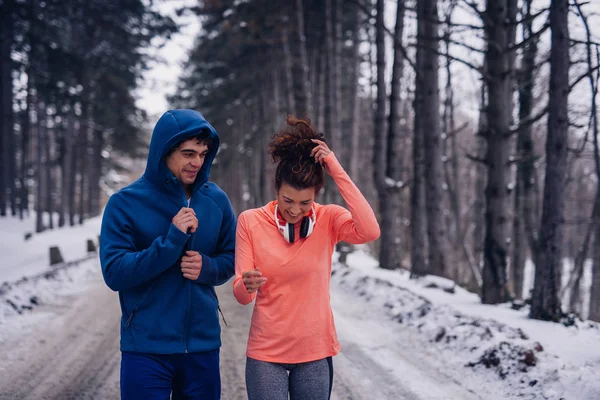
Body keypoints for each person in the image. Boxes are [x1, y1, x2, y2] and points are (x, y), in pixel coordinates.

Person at [233, 116, 380, 400]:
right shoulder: (250, 221)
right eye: (288, 200)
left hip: (315, 351)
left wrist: (334, 167)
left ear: (316, 197)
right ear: (277, 189)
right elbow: (241, 295)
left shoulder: (329, 219)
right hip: (266, 353)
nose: (295, 211)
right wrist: (246, 285)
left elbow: (370, 231)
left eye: (305, 203)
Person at [99, 109, 236, 400]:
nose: (197, 162)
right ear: (164, 151)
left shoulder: (216, 200)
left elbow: (232, 256)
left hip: (202, 347)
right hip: (146, 349)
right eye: (188, 153)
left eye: (202, 153)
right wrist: (171, 242)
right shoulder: (125, 203)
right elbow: (115, 272)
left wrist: (208, 268)